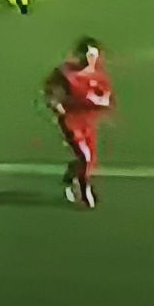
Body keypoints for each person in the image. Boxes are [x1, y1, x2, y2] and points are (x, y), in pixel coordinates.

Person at [45, 37, 113, 209]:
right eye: (89, 55)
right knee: (85, 157)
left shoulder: (99, 76)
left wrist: (98, 102)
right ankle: (84, 191)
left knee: (89, 161)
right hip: (70, 121)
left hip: (88, 123)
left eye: (94, 56)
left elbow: (105, 98)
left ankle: (71, 173)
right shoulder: (66, 73)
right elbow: (50, 89)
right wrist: (55, 103)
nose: (91, 59)